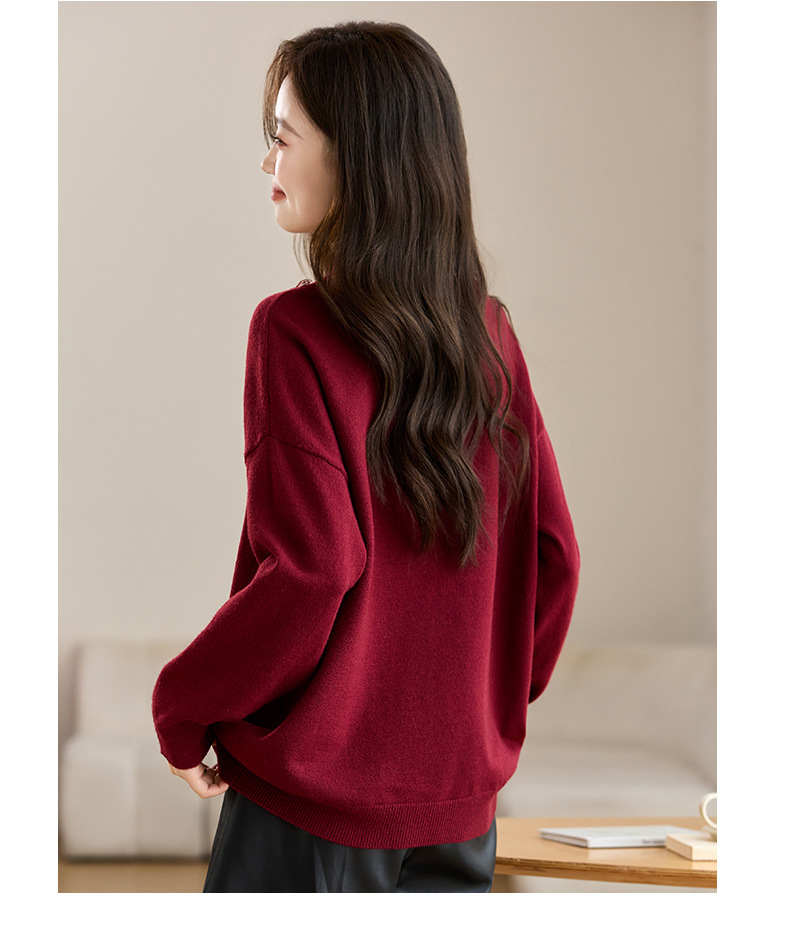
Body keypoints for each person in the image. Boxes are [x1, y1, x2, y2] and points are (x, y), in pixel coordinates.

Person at [152, 21, 580, 893]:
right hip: (460, 815)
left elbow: (314, 569)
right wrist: (476, 711)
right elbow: (554, 556)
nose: (267, 160)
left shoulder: (293, 331)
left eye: (283, 137)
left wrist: (182, 706)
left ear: (357, 157)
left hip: (313, 823)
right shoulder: (490, 335)